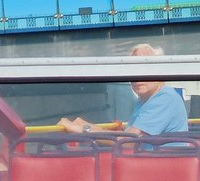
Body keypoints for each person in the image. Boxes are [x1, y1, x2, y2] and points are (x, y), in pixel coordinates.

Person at [57, 45, 188, 138]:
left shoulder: (164, 98)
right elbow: (127, 136)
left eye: (145, 70)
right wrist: (87, 125)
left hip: (163, 167)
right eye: (132, 72)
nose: (137, 78)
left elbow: (128, 141)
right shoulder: (144, 101)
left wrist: (83, 129)